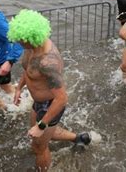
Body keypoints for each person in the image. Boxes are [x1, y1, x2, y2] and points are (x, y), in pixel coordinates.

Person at [7, 10, 91, 171]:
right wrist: (19, 87)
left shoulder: (48, 62)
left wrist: (42, 125)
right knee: (40, 137)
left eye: (20, 41)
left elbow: (61, 99)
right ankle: (80, 137)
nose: (18, 43)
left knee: (39, 147)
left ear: (29, 38)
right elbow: (28, 70)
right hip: (37, 102)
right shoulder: (31, 46)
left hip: (50, 104)